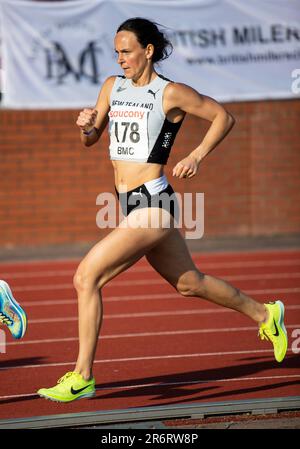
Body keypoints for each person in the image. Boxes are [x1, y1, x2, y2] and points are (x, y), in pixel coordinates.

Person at [37, 17, 288, 403]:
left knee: (86, 277)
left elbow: (224, 116)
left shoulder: (170, 93)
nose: (120, 58)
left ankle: (83, 375)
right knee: (190, 283)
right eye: (116, 52)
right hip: (128, 204)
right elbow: (92, 139)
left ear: (148, 51)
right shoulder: (112, 87)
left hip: (154, 202)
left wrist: (197, 155)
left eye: (126, 51)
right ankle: (265, 314)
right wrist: (86, 125)